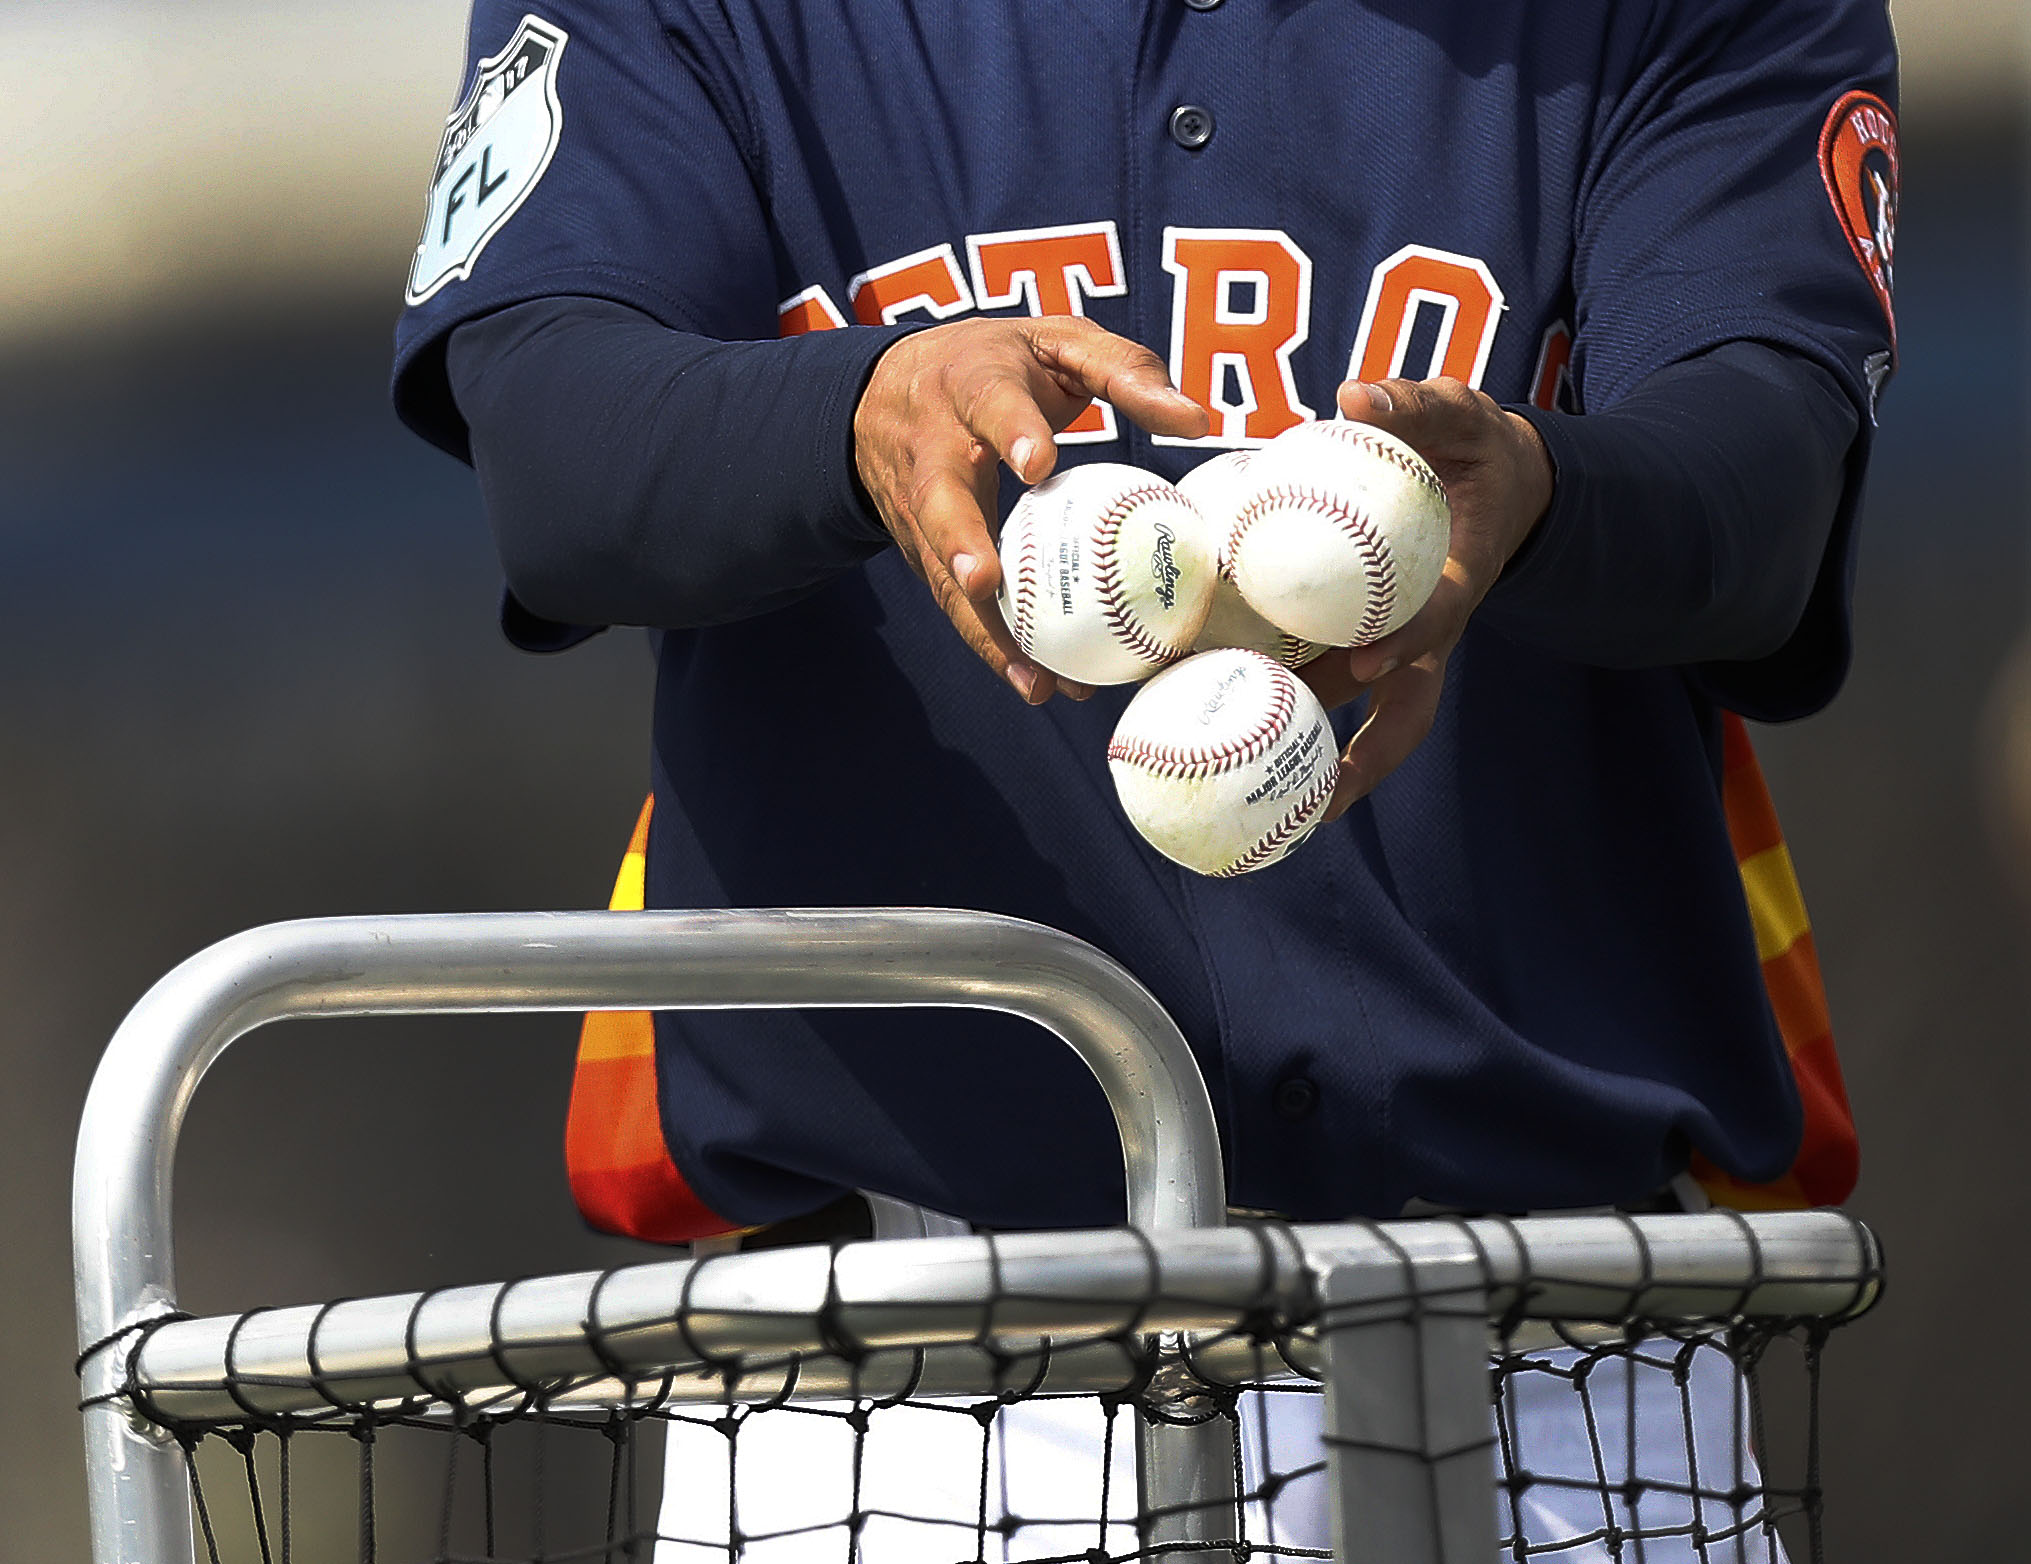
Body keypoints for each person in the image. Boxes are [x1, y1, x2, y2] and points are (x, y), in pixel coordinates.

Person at [392, 2, 1897, 1556]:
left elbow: (1761, 484)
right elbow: (554, 443)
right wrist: (855, 413)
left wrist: (1547, 493)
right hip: (917, 1394)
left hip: (1555, 1359)